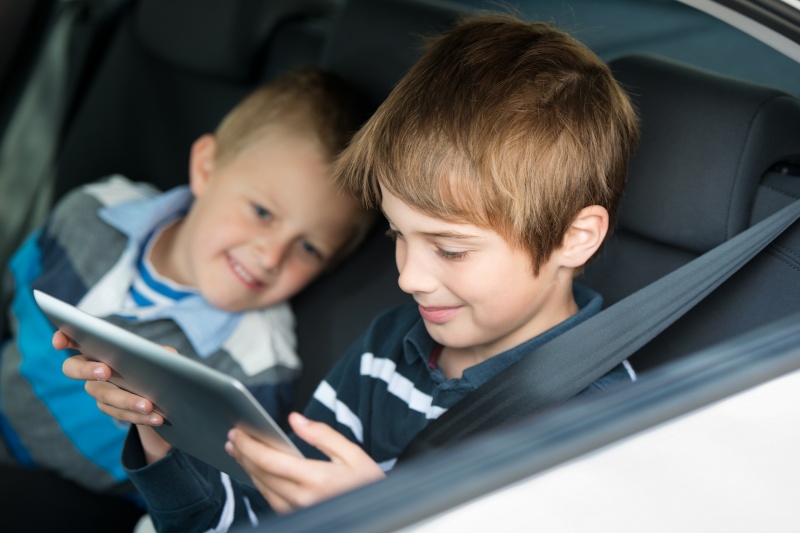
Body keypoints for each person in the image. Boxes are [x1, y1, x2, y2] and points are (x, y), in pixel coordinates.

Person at [59, 13, 640, 531]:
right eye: (398, 237)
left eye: (451, 249)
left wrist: (386, 514)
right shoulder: (388, 350)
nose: (410, 277)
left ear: (574, 238)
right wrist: (165, 431)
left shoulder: (612, 413)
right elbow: (245, 521)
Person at [0, 68, 373, 527]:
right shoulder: (93, 212)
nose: (271, 255)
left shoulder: (255, 366)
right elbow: (17, 294)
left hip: (87, 501)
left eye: (309, 248)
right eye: (261, 212)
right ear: (205, 168)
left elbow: (218, 489)